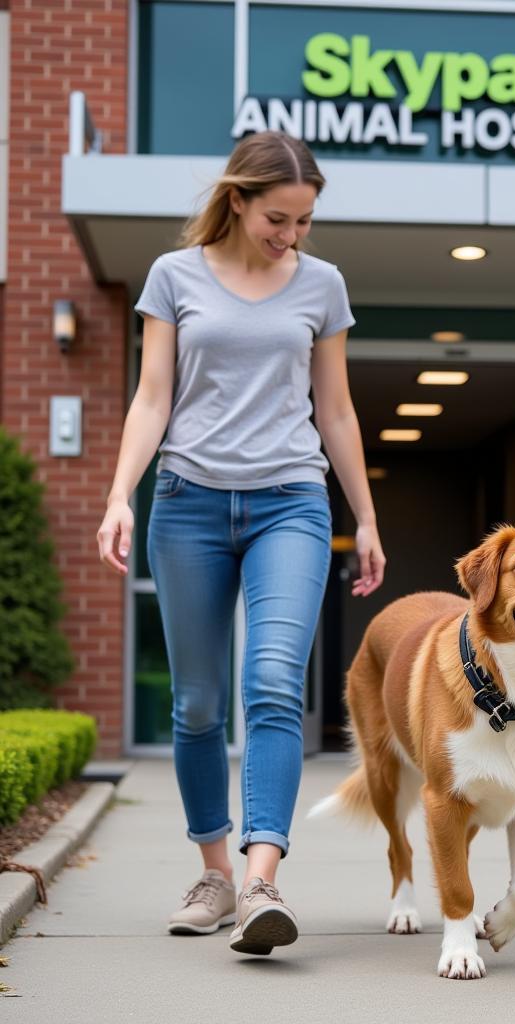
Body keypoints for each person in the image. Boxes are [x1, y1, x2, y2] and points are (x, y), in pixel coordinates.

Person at [96, 131, 384, 956]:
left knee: (271, 684)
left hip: (290, 504)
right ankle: (214, 874)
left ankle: (262, 880)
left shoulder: (321, 285)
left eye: (303, 221)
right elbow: (153, 398)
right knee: (196, 705)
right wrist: (120, 493)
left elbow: (334, 411)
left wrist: (363, 517)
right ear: (238, 200)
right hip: (186, 503)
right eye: (278, 218)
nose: (290, 235)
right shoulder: (173, 277)